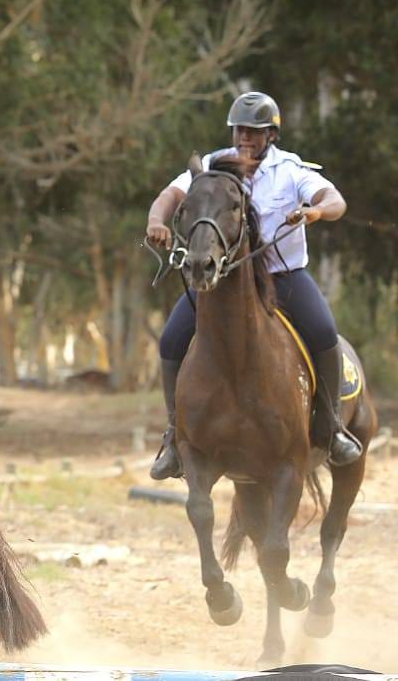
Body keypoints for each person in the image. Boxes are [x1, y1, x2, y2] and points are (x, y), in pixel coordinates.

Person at [144, 91, 362, 479]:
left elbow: (335, 199)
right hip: (221, 280)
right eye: (240, 130)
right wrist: (156, 222)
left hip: (284, 276)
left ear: (271, 135)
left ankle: (331, 427)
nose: (245, 137)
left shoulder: (291, 171)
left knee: (324, 332)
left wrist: (315, 211)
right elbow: (170, 195)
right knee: (171, 339)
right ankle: (174, 437)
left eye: (255, 131)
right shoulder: (212, 166)